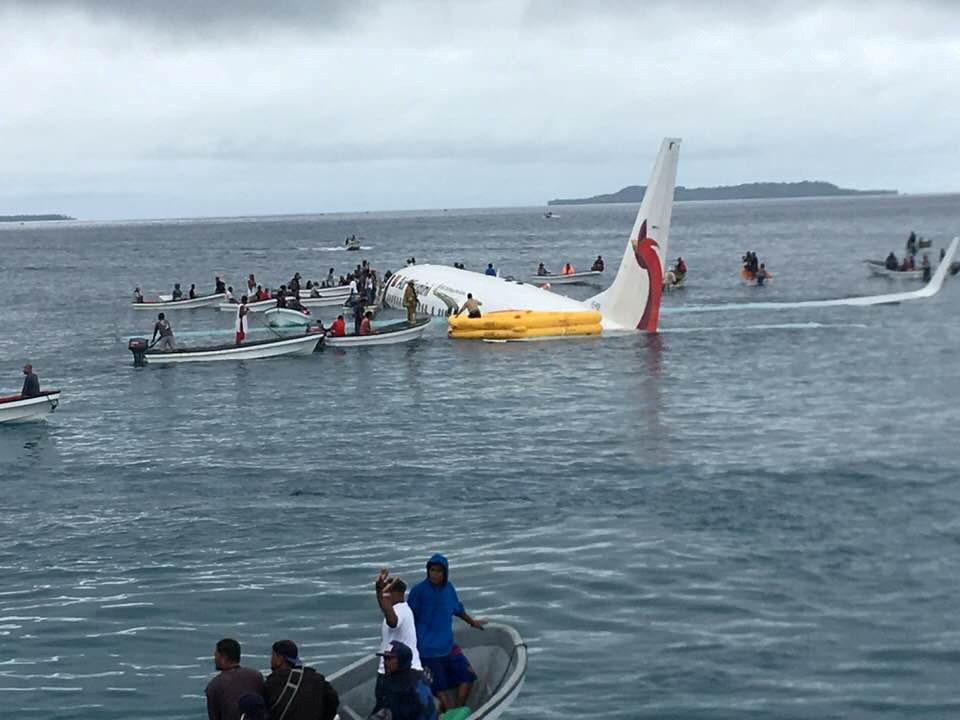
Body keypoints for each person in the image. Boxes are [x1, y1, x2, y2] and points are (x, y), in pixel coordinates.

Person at [407, 554, 486, 713]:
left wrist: (473, 622)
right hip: (427, 649)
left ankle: (457, 710)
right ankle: (449, 713)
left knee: (468, 676)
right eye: (432, 570)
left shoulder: (449, 589)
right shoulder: (418, 591)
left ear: (445, 573)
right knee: (438, 686)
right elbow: (408, 618)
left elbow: (458, 609)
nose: (435, 574)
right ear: (427, 571)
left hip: (448, 646)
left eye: (439, 571)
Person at [263, 639, 338, 720]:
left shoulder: (272, 682)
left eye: (272, 655)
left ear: (280, 659)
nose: (271, 660)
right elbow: (333, 701)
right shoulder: (317, 679)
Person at [371, 641, 436, 720]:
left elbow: (426, 710)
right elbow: (383, 706)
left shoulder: (417, 681)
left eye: (389, 659)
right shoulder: (386, 680)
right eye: (384, 658)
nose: (385, 662)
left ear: (402, 660)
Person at [375, 571, 422, 676]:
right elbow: (384, 607)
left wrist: (382, 596)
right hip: (395, 669)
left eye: (387, 592)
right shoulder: (401, 609)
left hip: (402, 671)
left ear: (397, 593)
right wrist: (378, 590)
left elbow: (392, 622)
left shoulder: (399, 609)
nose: (384, 596)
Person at [205, 638, 265, 720]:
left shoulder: (214, 686)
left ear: (223, 658)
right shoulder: (256, 676)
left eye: (216, 655)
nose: (215, 659)